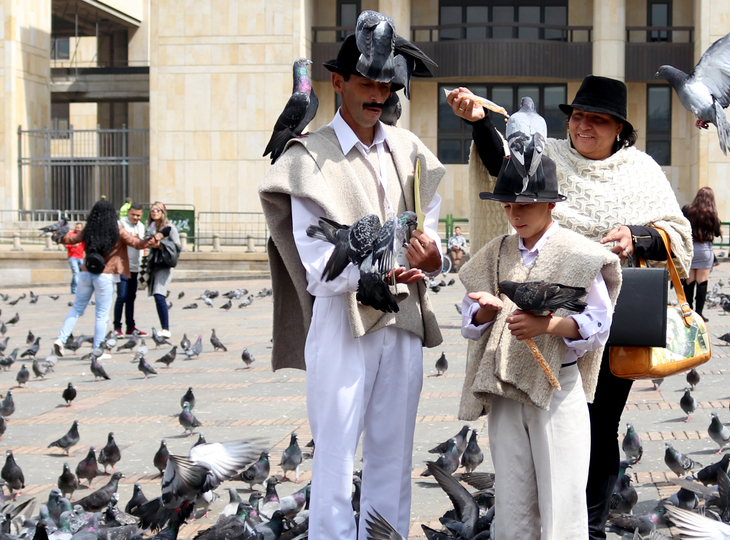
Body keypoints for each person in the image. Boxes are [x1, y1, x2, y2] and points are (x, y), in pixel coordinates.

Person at [448, 75, 692, 540]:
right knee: (534, 440)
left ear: (619, 127)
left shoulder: (641, 170)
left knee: (600, 427)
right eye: (579, 116)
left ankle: (592, 524)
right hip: (537, 325)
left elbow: (676, 232)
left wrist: (635, 235)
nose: (584, 126)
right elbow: (505, 167)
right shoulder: (550, 157)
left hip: (608, 319)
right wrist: (480, 124)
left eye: (598, 120)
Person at [259, 27, 443, 540]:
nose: (378, 96)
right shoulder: (308, 157)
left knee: (393, 455)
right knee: (337, 463)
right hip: (342, 323)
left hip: (402, 320)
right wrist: (370, 277)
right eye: (367, 83)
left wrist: (433, 259)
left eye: (387, 88)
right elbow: (318, 263)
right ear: (337, 82)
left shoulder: (410, 149)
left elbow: (430, 230)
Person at [458, 154, 621, 539]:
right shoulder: (496, 252)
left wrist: (547, 325)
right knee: (513, 508)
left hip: (558, 389)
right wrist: (482, 313)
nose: (515, 214)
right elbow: (469, 322)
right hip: (505, 389)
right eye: (509, 205)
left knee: (562, 505)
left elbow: (599, 325)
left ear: (551, 204)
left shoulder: (578, 253)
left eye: (526, 205)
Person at [53, 199, 163, 358]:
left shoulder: (89, 229)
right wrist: (153, 240)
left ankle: (60, 339)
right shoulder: (117, 230)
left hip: (85, 273)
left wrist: (58, 236)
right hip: (105, 275)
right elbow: (137, 243)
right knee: (101, 315)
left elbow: (71, 239)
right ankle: (98, 350)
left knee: (76, 309)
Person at [681, 187, 721, 320]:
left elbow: (680, 226)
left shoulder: (687, 209)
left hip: (690, 249)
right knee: (702, 282)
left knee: (689, 281)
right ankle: (699, 314)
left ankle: (688, 311)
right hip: (705, 250)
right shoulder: (712, 213)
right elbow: (716, 232)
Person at [144, 202, 180, 339]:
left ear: (163, 212)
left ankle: (166, 329)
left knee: (159, 294)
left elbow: (177, 246)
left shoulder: (170, 228)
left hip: (165, 265)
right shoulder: (151, 227)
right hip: (154, 265)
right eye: (152, 210)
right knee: (157, 295)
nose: (154, 212)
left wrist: (161, 245)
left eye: (157, 210)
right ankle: (164, 328)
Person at [115, 203, 146, 336]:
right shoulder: (120, 224)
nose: (135, 217)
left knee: (131, 297)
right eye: (133, 214)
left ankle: (131, 327)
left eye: (138, 215)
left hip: (135, 266)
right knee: (121, 297)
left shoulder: (141, 226)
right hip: (122, 266)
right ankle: (117, 327)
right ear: (128, 212)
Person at [65, 223, 85, 294]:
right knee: (76, 272)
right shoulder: (71, 235)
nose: (77, 229)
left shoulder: (83, 236)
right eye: (76, 227)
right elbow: (66, 245)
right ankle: (79, 288)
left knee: (83, 273)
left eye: (79, 228)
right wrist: (72, 245)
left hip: (81, 257)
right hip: (72, 256)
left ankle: (73, 286)